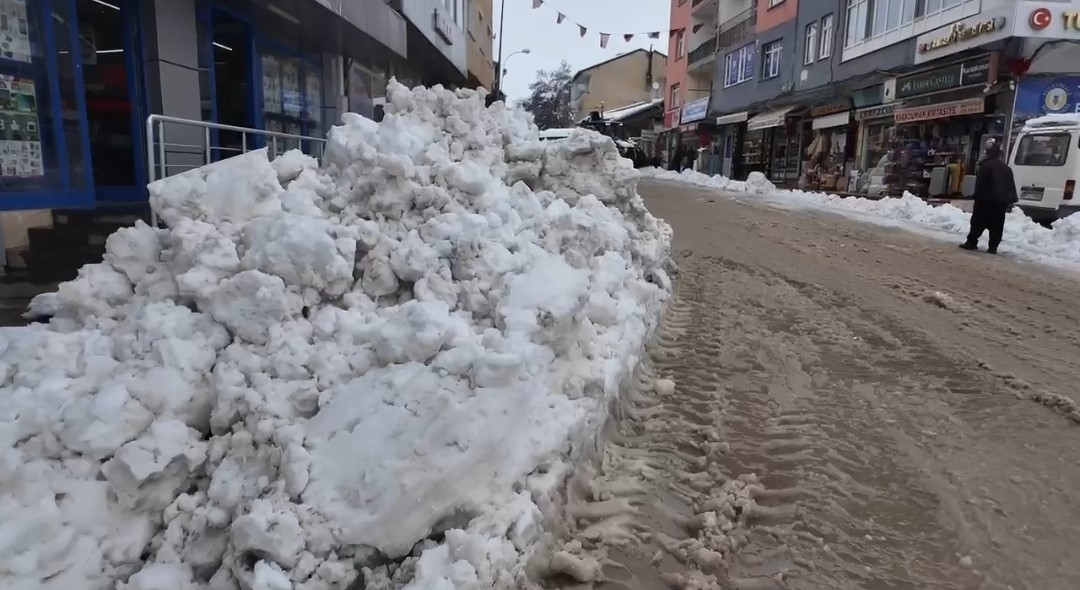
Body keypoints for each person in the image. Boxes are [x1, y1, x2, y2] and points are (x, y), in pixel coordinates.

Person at [960, 139, 1018, 254]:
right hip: (1001, 202)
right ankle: (993, 247)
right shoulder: (1007, 168)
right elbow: (1010, 185)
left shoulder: (985, 166)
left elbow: (982, 183)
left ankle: (971, 242)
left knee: (978, 222)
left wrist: (976, 195)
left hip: (985, 200)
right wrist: (1010, 200)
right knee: (997, 225)